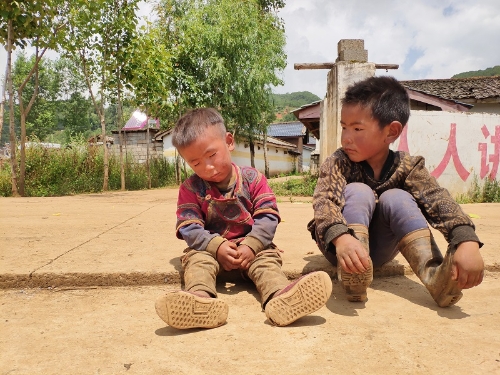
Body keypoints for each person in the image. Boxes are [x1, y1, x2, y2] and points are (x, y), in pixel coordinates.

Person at [308, 76, 484, 307]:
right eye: (344, 127)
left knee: (397, 197)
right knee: (359, 191)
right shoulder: (338, 162)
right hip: (340, 248)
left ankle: (436, 278)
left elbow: (438, 199)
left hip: (381, 250)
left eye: (357, 128)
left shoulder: (409, 167)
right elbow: (324, 201)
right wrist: (341, 239)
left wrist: (466, 240)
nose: (346, 137)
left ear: (391, 132)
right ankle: (354, 279)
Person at [155, 107, 332, 329]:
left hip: (252, 250)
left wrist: (252, 244)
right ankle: (200, 301)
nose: (207, 168)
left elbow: (268, 216)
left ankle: (280, 297)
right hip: (211, 251)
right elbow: (189, 227)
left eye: (212, 155)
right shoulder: (190, 188)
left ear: (229, 141)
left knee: (267, 264)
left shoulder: (253, 179)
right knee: (197, 262)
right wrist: (216, 246)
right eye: (196, 163)